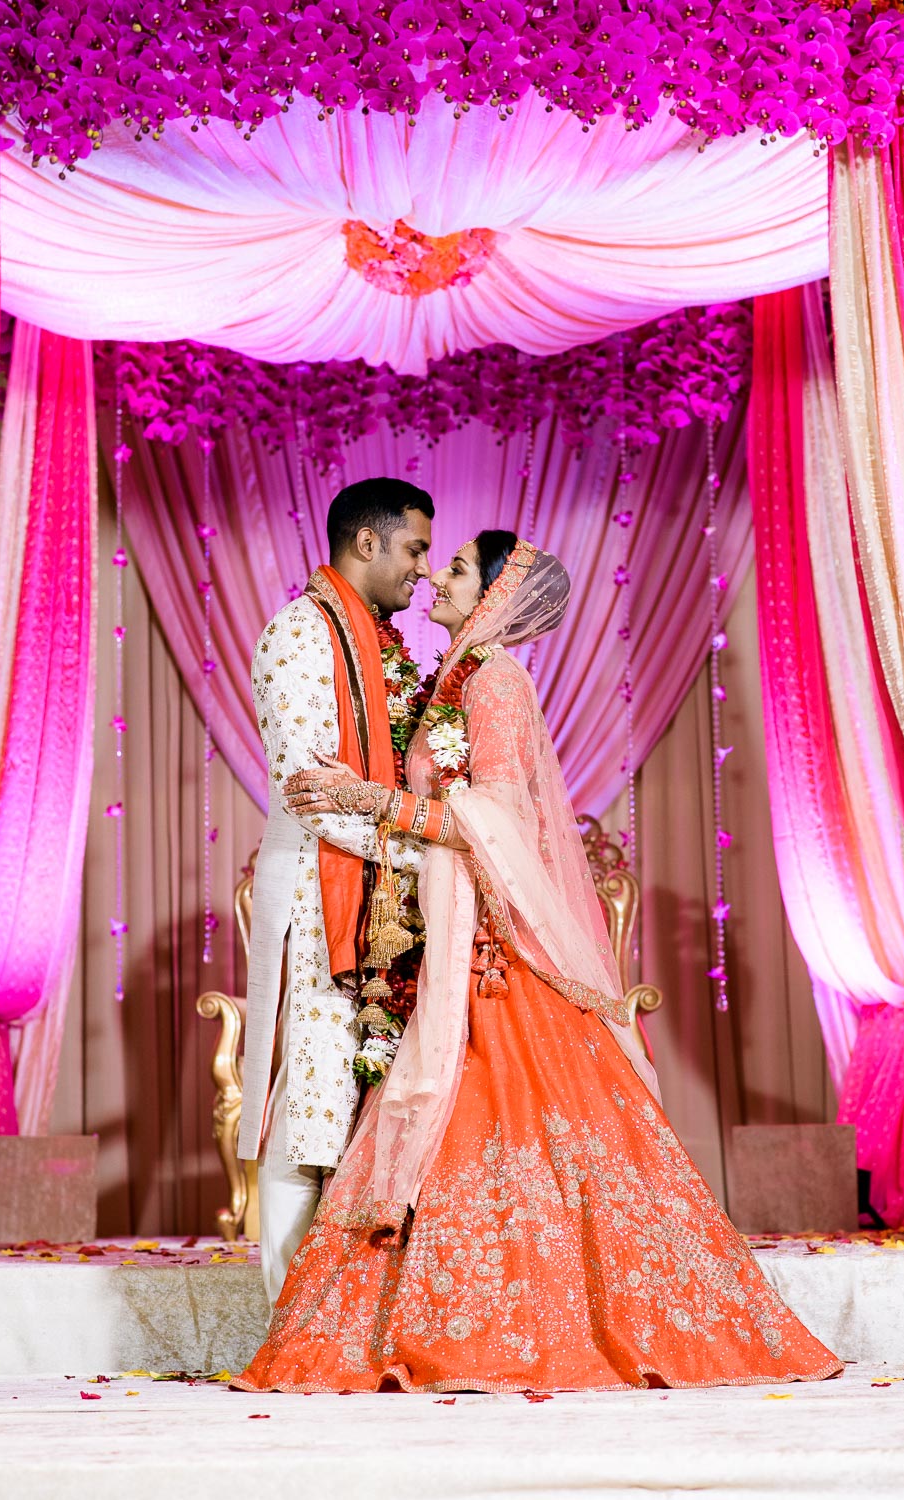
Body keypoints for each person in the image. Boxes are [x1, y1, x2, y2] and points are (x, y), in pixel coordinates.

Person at [234, 532, 842, 1393]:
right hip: (459, 935)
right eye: (431, 560)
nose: (433, 577)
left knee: (495, 1113)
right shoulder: (459, 679)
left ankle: (517, 1326)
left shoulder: (495, 682)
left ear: (494, 597)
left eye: (452, 569)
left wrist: (380, 803)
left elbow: (503, 821)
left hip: (493, 954)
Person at [239, 477, 433, 1306]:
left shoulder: (374, 643)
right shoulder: (299, 634)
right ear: (367, 543)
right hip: (320, 900)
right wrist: (430, 855)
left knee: (363, 1100)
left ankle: (352, 1315)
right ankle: (291, 1316)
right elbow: (307, 789)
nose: (422, 572)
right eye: (415, 549)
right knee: (311, 1107)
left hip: (377, 895)